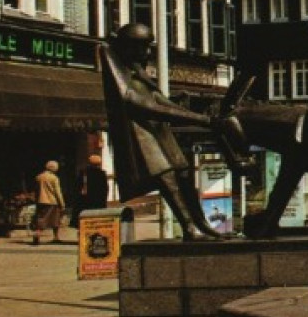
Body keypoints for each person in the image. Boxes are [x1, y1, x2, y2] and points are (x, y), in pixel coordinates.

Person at [100, 23, 225, 240]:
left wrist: (197, 117)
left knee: (184, 175)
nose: (147, 53)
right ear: (128, 47)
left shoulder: (138, 72)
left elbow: (159, 100)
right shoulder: (118, 70)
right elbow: (140, 104)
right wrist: (201, 119)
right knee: (167, 179)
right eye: (142, 47)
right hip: (143, 137)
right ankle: (189, 228)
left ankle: (201, 223)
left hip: (160, 134)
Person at [72, 155, 111, 230]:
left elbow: (77, 186)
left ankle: (82, 234)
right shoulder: (101, 173)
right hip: (98, 200)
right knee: (96, 219)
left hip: (84, 199)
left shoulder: (83, 172)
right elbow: (105, 188)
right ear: (99, 164)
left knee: (84, 218)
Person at [34, 160, 66, 245]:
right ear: (53, 168)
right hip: (52, 201)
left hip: (41, 201)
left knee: (41, 218)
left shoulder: (39, 177)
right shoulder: (54, 178)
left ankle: (38, 232)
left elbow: (36, 191)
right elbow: (58, 192)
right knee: (56, 219)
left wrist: (36, 200)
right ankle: (56, 237)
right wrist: (62, 203)